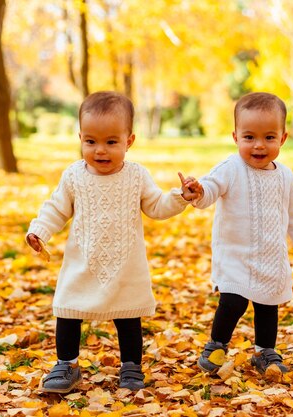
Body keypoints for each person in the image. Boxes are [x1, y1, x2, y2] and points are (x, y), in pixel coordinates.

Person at [25, 91, 200, 394]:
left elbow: (157, 206)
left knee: (128, 314)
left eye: (111, 142)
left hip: (125, 264)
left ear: (129, 141)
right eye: (91, 142)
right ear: (80, 137)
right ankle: (66, 363)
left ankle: (130, 366)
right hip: (82, 262)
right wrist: (39, 230)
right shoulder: (74, 176)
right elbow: (56, 207)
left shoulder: (136, 176)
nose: (100, 151)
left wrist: (180, 197)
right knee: (68, 310)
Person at [183, 92, 293, 381]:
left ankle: (265, 350)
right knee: (233, 302)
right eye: (249, 137)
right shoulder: (230, 168)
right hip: (235, 256)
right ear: (235, 137)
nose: (259, 145)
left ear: (282, 139)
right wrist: (198, 191)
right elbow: (211, 187)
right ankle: (216, 345)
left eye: (269, 137)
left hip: (270, 257)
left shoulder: (285, 176)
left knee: (268, 305)